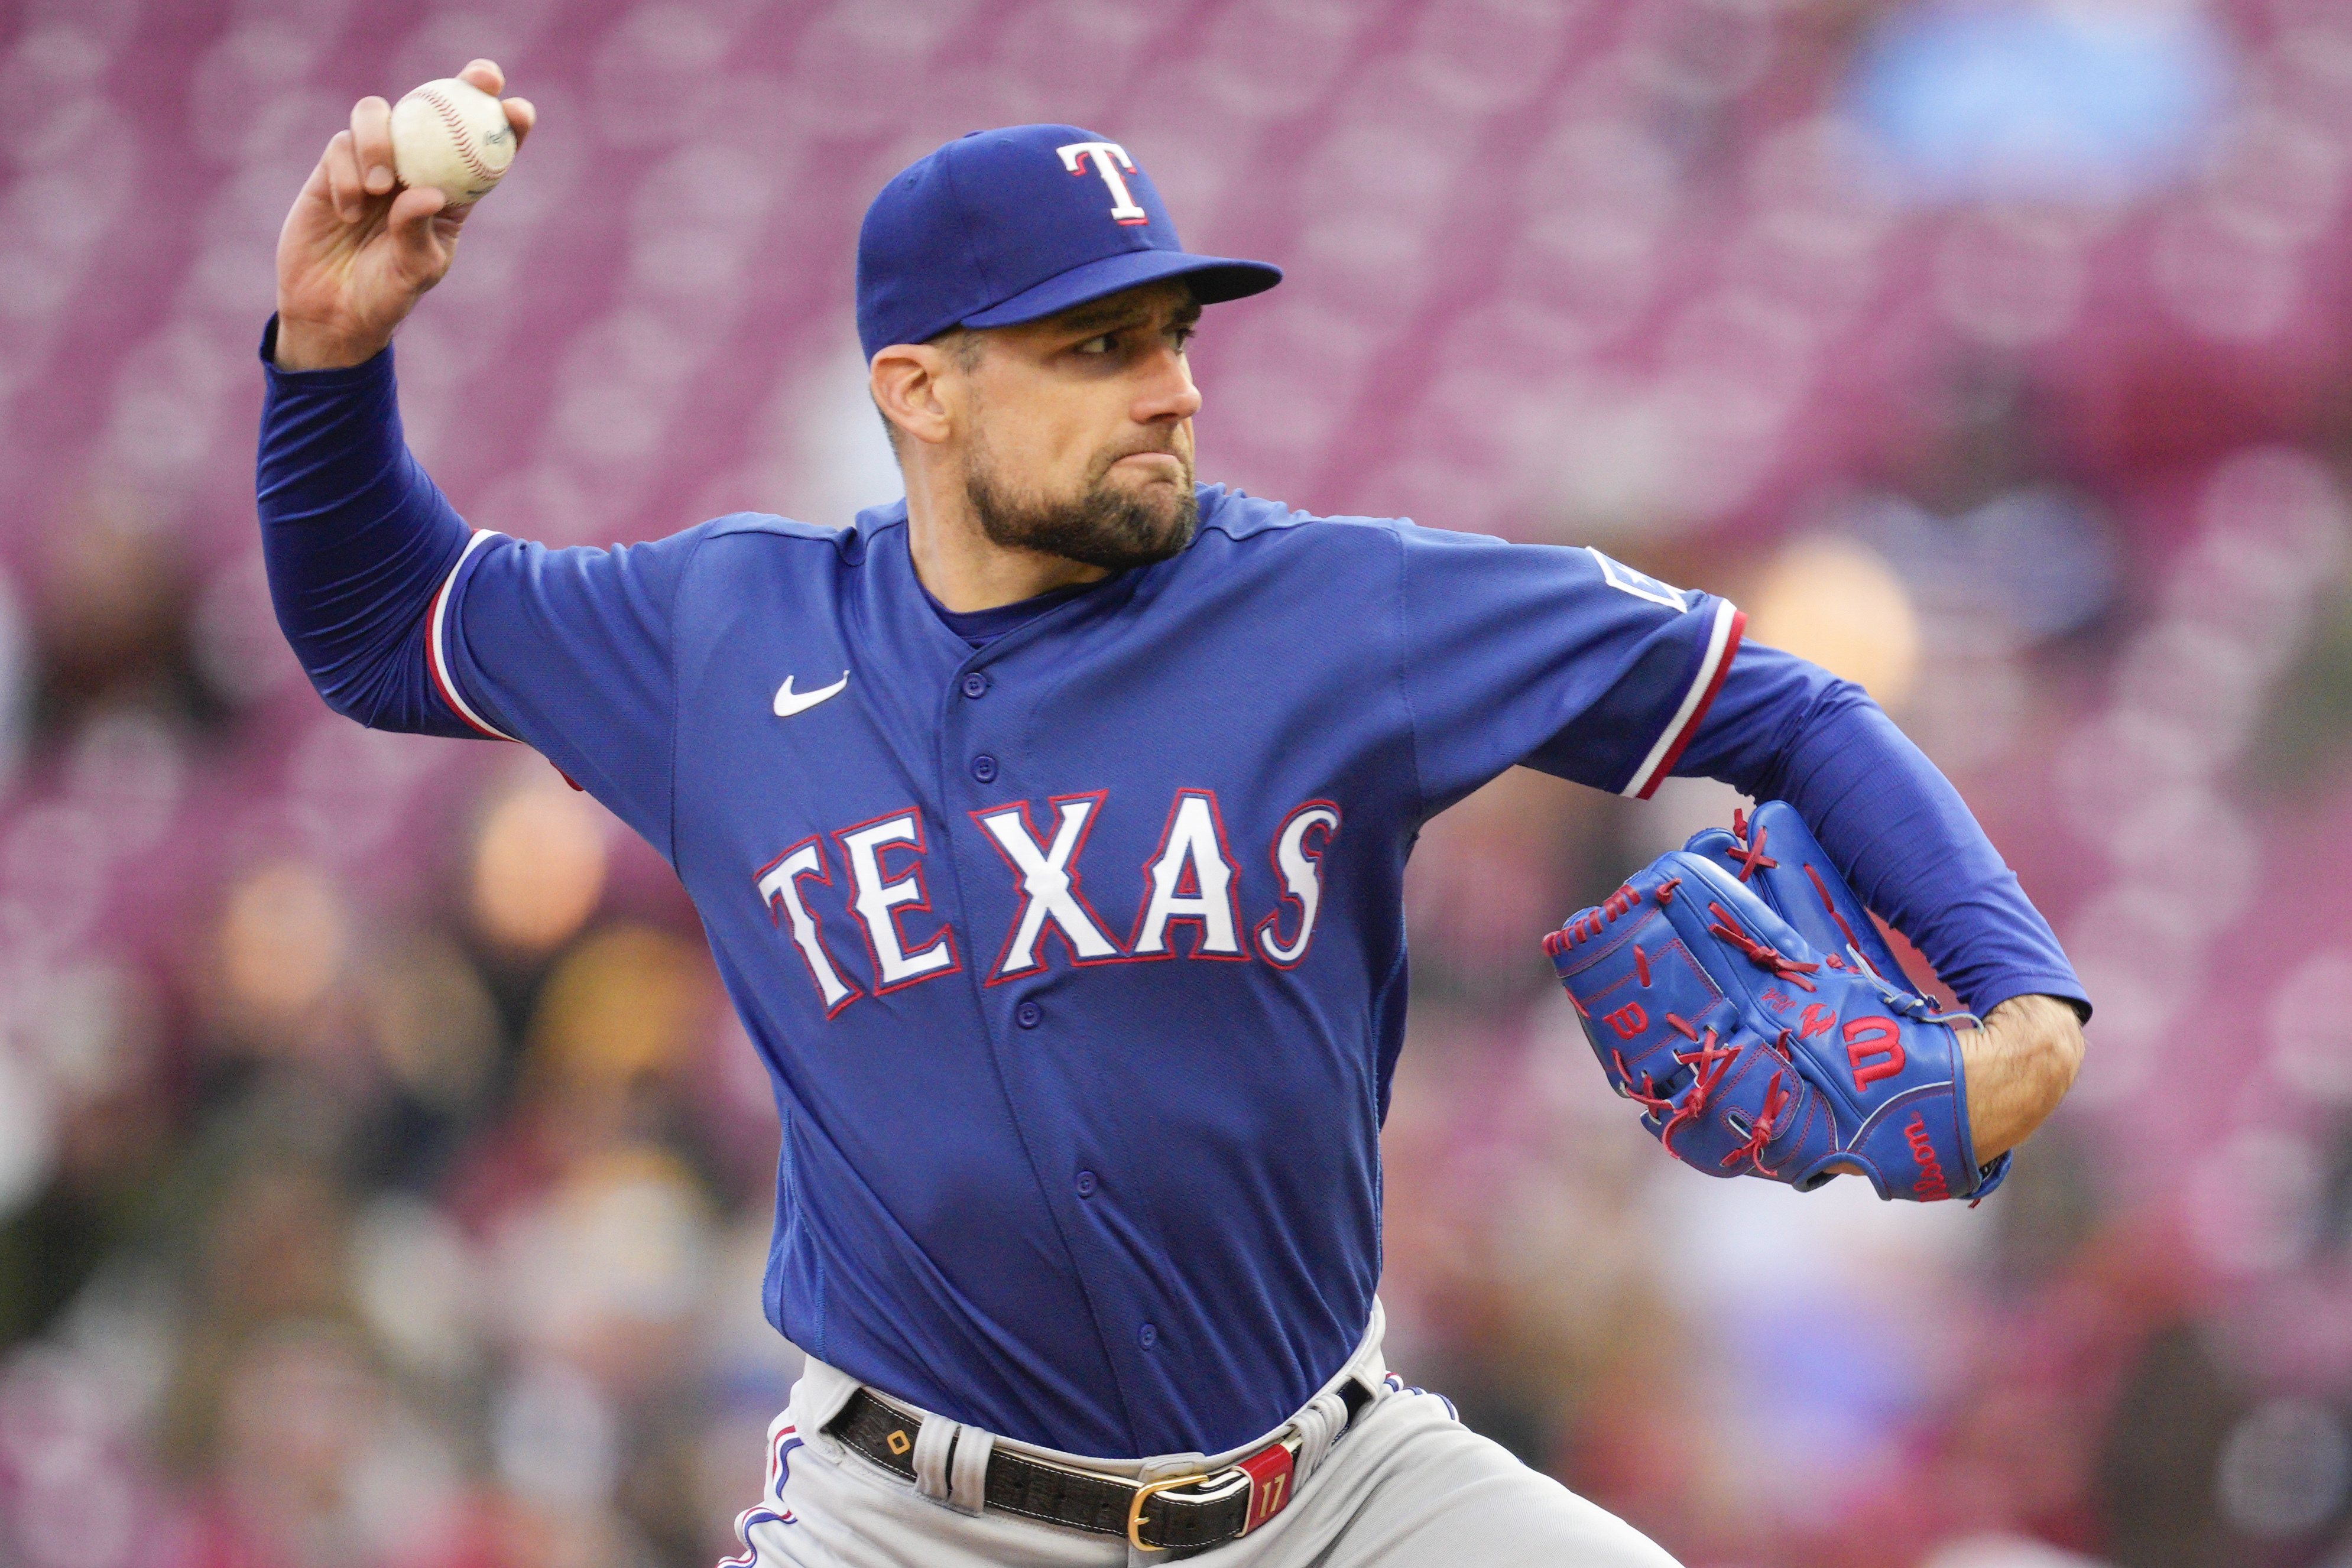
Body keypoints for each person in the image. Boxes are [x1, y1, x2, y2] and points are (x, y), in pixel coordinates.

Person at [259, 60, 2088, 1568]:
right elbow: (372, 623)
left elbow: (1780, 705)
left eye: (1172, 332)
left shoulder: (1335, 608)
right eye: (1092, 347)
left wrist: (2019, 999)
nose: (1171, 385)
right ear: (917, 390)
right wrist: (329, 360)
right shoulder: (718, 635)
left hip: (1338, 1497)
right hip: (909, 1521)